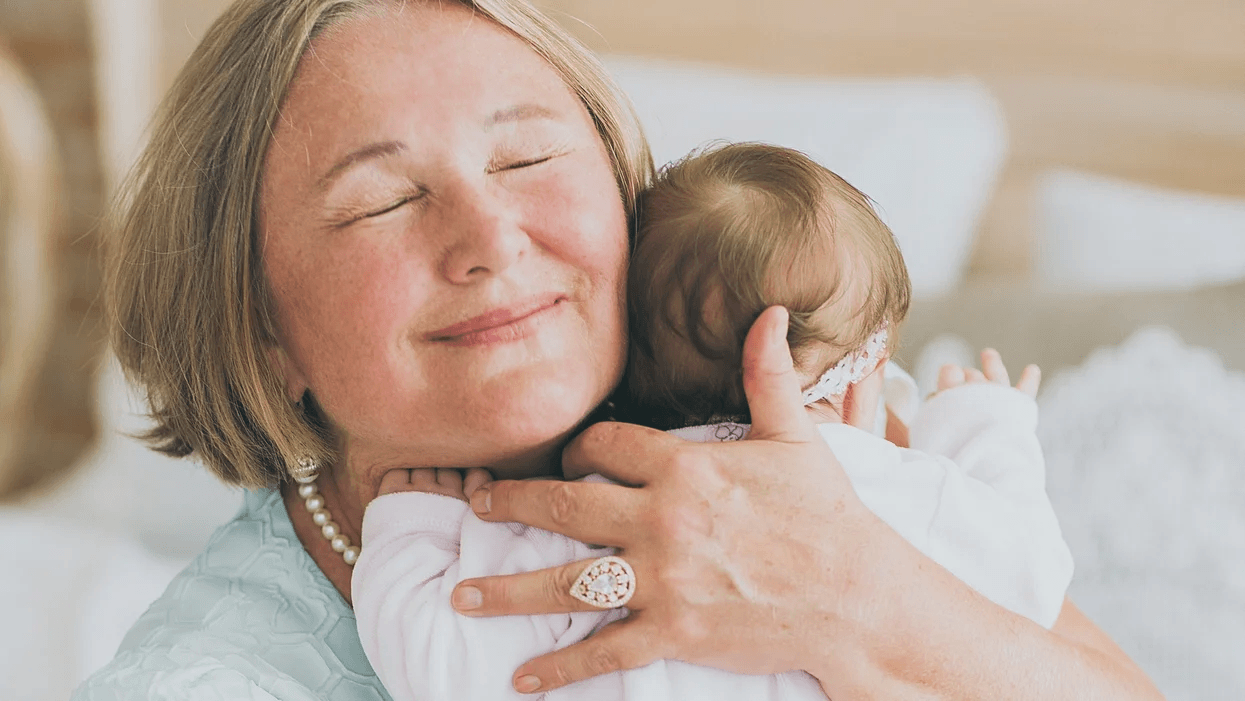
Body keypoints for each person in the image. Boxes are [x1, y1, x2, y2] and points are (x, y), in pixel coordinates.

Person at [73, 0, 1165, 699]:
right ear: (262, 330)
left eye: (529, 156)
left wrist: (853, 586)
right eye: (386, 200)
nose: (493, 238)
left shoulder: (795, 433)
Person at [350, 143, 1075, 700]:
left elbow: (441, 663)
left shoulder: (587, 514)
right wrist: (983, 419)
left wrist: (413, 521)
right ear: (860, 373)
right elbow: (1030, 578)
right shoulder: (906, 490)